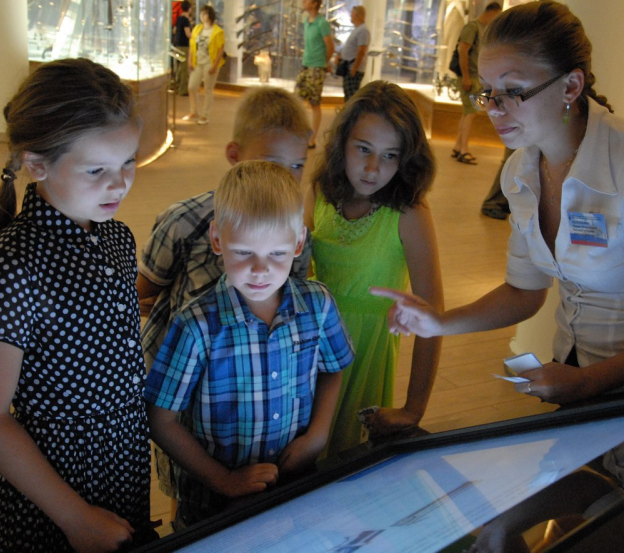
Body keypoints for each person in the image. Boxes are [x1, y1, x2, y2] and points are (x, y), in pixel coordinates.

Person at [373, 0, 624, 408]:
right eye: (488, 92)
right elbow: (524, 292)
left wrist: (590, 382)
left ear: (571, 87)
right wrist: (438, 322)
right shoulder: (521, 172)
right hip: (576, 376)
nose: (494, 109)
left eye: (513, 91)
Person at [0, 58, 153, 552]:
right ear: (37, 163)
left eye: (128, 161)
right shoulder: (14, 262)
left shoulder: (117, 237)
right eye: (97, 169)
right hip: (55, 491)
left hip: (124, 462)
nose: (119, 183)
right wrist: (75, 517)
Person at [144, 161, 354, 529]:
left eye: (276, 253)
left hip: (294, 484)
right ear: (217, 239)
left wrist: (317, 436)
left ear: (299, 243)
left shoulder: (319, 305)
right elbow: (161, 420)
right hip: (213, 504)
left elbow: (332, 370)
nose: (260, 270)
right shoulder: (195, 326)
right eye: (243, 252)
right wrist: (223, 480)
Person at [137, 85, 313, 520]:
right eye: (273, 162)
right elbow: (144, 289)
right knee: (190, 494)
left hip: (252, 386)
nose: (285, 177)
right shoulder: (183, 220)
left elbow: (292, 304)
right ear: (235, 154)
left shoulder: (296, 234)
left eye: (297, 165)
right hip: (185, 387)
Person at [304, 81, 444, 457]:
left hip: (366, 355)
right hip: (309, 347)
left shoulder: (409, 212)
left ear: (406, 158)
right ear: (342, 142)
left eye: (389, 155)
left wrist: (414, 408)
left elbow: (433, 311)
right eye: (363, 149)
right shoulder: (319, 193)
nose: (372, 168)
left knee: (343, 462)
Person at [451, 2, 502, 165]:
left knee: (468, 112)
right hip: (470, 76)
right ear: (492, 12)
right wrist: (466, 76)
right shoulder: (472, 27)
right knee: (471, 112)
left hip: (474, 76)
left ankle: (459, 146)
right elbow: (463, 50)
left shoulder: (481, 29)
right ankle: (463, 149)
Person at [296, 0, 335, 148]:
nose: (303, 2)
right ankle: (299, 133)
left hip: (317, 67)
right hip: (305, 64)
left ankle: (312, 138)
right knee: (297, 99)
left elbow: (330, 46)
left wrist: (324, 62)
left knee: (314, 103)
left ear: (314, 4)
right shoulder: (307, 21)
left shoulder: (322, 23)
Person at [184, 4, 225, 125]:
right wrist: (190, 60)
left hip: (210, 62)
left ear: (210, 15)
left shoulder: (218, 31)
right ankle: (194, 111)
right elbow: (192, 46)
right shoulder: (197, 28)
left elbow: (220, 49)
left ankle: (205, 115)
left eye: (205, 13)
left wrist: (215, 65)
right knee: (191, 87)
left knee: (208, 89)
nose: (202, 16)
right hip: (197, 62)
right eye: (201, 13)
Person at [336, 5, 370, 103]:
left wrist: (355, 67)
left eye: (352, 14)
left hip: (353, 68)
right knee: (348, 94)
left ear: (357, 15)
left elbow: (361, 50)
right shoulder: (357, 29)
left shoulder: (363, 30)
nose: (350, 16)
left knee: (351, 96)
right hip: (349, 67)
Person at [172, 1, 192, 95]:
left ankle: (175, 87)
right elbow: (188, 34)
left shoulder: (179, 18)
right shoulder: (186, 20)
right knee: (184, 69)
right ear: (189, 9)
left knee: (178, 68)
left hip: (177, 45)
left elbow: (174, 30)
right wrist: (195, 37)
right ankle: (183, 90)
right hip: (184, 46)